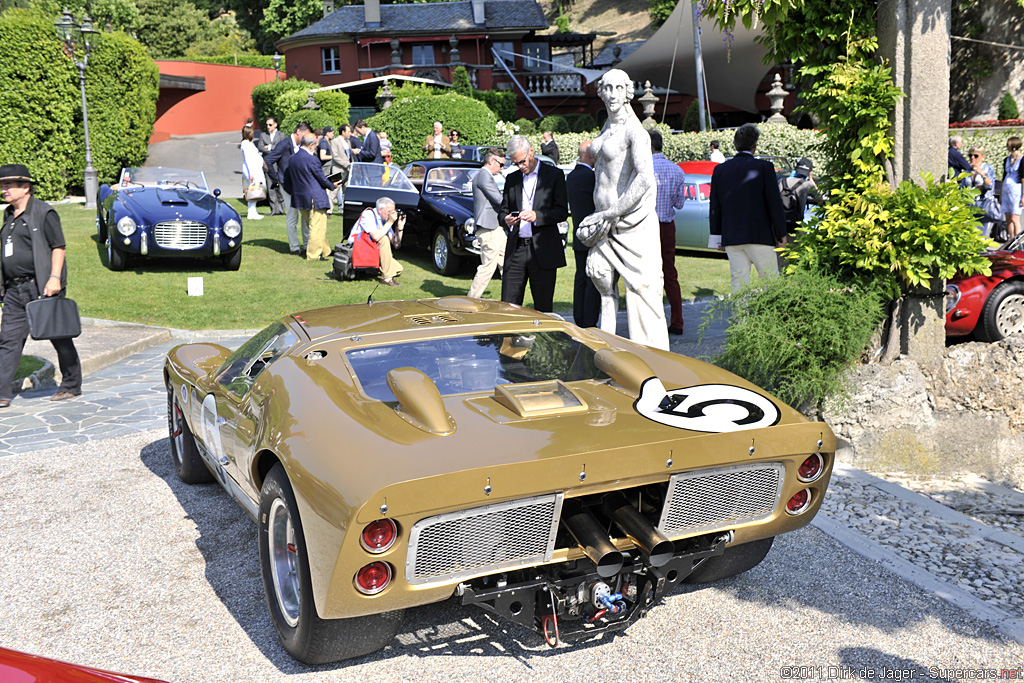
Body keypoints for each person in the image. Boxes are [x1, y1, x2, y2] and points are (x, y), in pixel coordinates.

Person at [576, 69, 668, 351]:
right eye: (608, 88)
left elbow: (644, 178)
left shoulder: (634, 131)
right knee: (599, 277)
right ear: (601, 92)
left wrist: (610, 213)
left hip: (629, 223)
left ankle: (653, 355)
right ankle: (607, 350)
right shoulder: (607, 127)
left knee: (642, 291)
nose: (613, 94)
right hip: (606, 224)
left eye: (619, 88)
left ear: (628, 92)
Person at [0, 164, 82, 408]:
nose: (3, 190)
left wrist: (54, 278)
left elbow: (59, 247)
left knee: (59, 337)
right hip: (15, 290)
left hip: (42, 286)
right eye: (2, 185)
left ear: (25, 187)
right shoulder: (9, 216)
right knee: (8, 340)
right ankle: (2, 393)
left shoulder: (44, 213)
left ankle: (71, 384)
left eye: (8, 185)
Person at [709, 123, 787, 291]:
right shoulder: (764, 167)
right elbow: (774, 203)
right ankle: (772, 318)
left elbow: (715, 206)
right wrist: (781, 234)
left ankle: (740, 318)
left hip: (732, 236)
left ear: (736, 144)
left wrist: (717, 237)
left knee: (739, 284)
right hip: (759, 235)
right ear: (755, 145)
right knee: (771, 283)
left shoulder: (721, 170)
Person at [498, 135, 568, 312]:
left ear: (531, 151)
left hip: (543, 249)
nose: (521, 167)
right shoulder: (512, 179)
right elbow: (502, 211)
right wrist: (506, 220)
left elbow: (561, 212)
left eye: (522, 161)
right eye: (516, 164)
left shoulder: (554, 175)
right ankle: (509, 339)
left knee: (543, 308)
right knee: (508, 306)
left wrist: (538, 216)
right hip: (517, 249)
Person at [650, 129, 686, 335]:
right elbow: (680, 204)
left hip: (647, 226)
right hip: (667, 225)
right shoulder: (677, 170)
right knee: (670, 274)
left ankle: (652, 322)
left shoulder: (644, 169)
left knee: (647, 273)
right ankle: (677, 321)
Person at [285, 134, 338, 261]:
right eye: (316, 145)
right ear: (311, 145)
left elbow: (288, 178)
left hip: (301, 198)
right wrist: (332, 185)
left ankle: (326, 250)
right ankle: (313, 255)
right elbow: (321, 178)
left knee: (314, 226)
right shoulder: (312, 159)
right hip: (315, 198)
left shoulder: (292, 158)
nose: (316, 148)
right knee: (317, 227)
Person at [566, 140, 600, 328]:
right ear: (589, 155)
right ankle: (589, 320)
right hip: (593, 235)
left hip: (578, 234)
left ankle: (579, 316)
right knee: (592, 278)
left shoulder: (571, 176)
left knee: (580, 277)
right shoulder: (592, 178)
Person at [265, 122, 313, 255]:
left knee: (305, 216)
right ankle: (294, 248)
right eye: (305, 134)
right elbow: (268, 161)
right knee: (292, 216)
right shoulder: (284, 144)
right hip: (287, 186)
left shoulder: (301, 146)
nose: (306, 138)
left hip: (301, 186)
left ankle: (308, 245)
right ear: (298, 131)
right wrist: (276, 179)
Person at [467, 148, 507, 299]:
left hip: (495, 228)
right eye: (501, 164)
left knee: (506, 264)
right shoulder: (484, 176)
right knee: (487, 268)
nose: (502, 168)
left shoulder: (484, 175)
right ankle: (472, 299)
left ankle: (511, 297)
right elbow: (499, 200)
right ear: (492, 161)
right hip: (490, 228)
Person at [348, 197, 406, 286]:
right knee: (384, 239)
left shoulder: (385, 220)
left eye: (394, 211)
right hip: (358, 249)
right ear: (380, 210)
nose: (393, 214)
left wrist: (400, 227)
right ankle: (387, 278)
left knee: (398, 269)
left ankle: (368, 270)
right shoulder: (368, 214)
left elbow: (396, 244)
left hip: (372, 250)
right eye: (389, 212)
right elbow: (375, 237)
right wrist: (390, 222)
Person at [778, 157, 823, 234]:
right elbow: (820, 199)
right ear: (810, 172)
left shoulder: (781, 182)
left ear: (795, 169)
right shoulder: (807, 185)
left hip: (778, 224)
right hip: (795, 225)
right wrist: (811, 180)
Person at [966, 145, 997, 238]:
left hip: (982, 205)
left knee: (980, 236)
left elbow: (990, 186)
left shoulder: (987, 169)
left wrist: (982, 174)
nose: (972, 158)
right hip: (969, 205)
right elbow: (962, 187)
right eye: (970, 155)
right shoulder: (968, 170)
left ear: (982, 156)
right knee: (969, 235)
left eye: (976, 156)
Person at [259, 117, 286, 215]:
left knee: (280, 187)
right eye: (267, 125)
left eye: (270, 125)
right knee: (271, 188)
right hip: (268, 166)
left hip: (279, 165)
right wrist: (273, 149)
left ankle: (282, 209)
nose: (268, 127)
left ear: (275, 125)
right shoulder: (263, 135)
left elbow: (282, 147)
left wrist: (269, 147)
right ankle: (274, 210)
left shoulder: (281, 135)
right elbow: (260, 147)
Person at [240, 124, 266, 221]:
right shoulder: (246, 144)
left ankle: (253, 211)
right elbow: (248, 159)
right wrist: (251, 172)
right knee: (252, 190)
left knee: (254, 189)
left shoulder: (248, 143)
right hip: (251, 170)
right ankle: (251, 212)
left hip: (254, 169)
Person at [1003, 137, 1024, 240]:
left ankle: (1018, 241)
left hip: (1016, 189)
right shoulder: (1007, 159)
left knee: (1015, 217)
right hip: (1007, 188)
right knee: (1008, 217)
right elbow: (1004, 176)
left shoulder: (1022, 159)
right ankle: (1010, 239)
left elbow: (1023, 178)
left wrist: (1023, 195)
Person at [329, 123, 353, 209]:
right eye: (349, 132)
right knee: (334, 191)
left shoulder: (348, 142)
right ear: (343, 132)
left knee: (346, 191)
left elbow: (349, 155)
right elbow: (335, 156)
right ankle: (329, 210)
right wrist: (346, 164)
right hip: (338, 169)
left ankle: (344, 209)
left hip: (348, 170)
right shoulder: (335, 142)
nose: (350, 133)